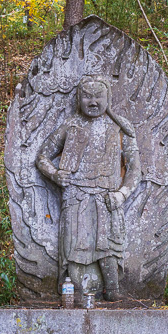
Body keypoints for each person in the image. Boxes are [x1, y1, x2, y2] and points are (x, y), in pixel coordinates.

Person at [36, 76, 140, 301]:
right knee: (74, 246)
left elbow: (134, 169)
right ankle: (73, 294)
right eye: (87, 96)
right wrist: (55, 174)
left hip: (107, 195)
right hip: (76, 195)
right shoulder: (70, 127)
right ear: (78, 99)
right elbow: (42, 156)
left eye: (98, 96)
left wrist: (121, 194)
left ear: (108, 98)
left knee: (109, 245)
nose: (93, 102)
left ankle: (112, 289)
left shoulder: (120, 129)